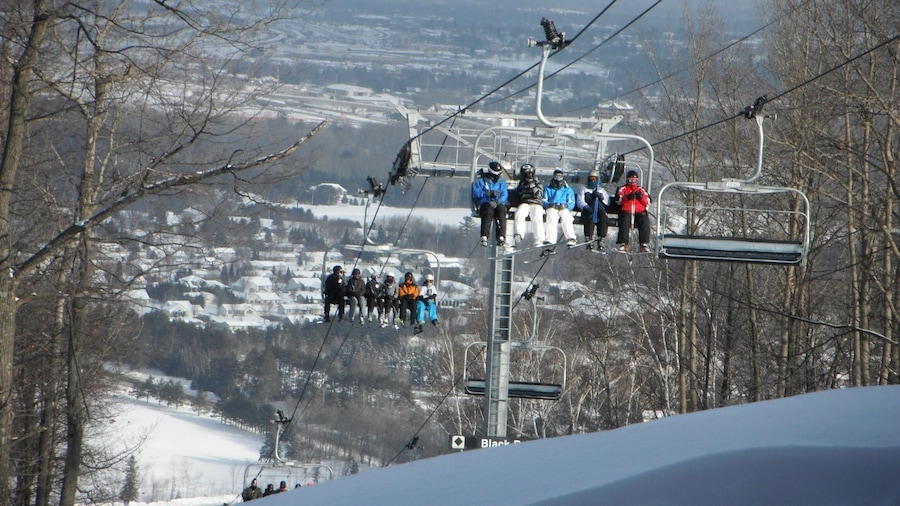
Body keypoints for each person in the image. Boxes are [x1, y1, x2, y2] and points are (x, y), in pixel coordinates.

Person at [472, 160, 508, 247]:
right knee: (488, 212)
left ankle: (501, 236)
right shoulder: (482, 181)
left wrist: (498, 201)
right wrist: (487, 193)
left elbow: (504, 193)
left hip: (497, 203)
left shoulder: (501, 182)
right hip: (486, 202)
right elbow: (476, 193)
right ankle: (484, 235)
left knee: (501, 211)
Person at [615, 169, 651, 252]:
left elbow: (648, 201)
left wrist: (640, 197)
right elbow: (618, 200)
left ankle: (643, 244)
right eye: (631, 180)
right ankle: (623, 243)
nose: (632, 182)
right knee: (624, 220)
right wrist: (627, 198)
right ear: (627, 180)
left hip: (639, 211)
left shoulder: (640, 189)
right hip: (627, 210)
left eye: (635, 180)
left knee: (644, 220)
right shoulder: (623, 189)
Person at [576, 168, 610, 252]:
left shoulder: (601, 190)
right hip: (588, 210)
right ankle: (589, 238)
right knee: (589, 219)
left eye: (594, 179)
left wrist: (601, 197)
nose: (592, 181)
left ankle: (601, 238)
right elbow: (580, 201)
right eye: (591, 179)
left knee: (603, 218)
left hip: (599, 210)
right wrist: (586, 207)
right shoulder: (584, 189)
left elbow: (607, 202)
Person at [512, 163, 546, 248]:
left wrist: (532, 185)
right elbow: (520, 194)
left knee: (537, 216)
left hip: (536, 203)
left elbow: (539, 194)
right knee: (520, 212)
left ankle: (539, 239)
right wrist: (525, 186)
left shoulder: (538, 182)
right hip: (525, 203)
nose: (528, 175)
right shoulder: (522, 183)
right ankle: (518, 234)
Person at [542, 168, 577, 247]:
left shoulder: (567, 189)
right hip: (553, 207)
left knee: (567, 217)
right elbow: (544, 200)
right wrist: (549, 205)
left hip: (563, 207)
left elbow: (572, 201)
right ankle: (550, 239)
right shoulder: (548, 188)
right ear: (554, 176)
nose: (558, 178)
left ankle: (571, 237)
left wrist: (566, 206)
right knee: (551, 217)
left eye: (560, 176)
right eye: (556, 176)